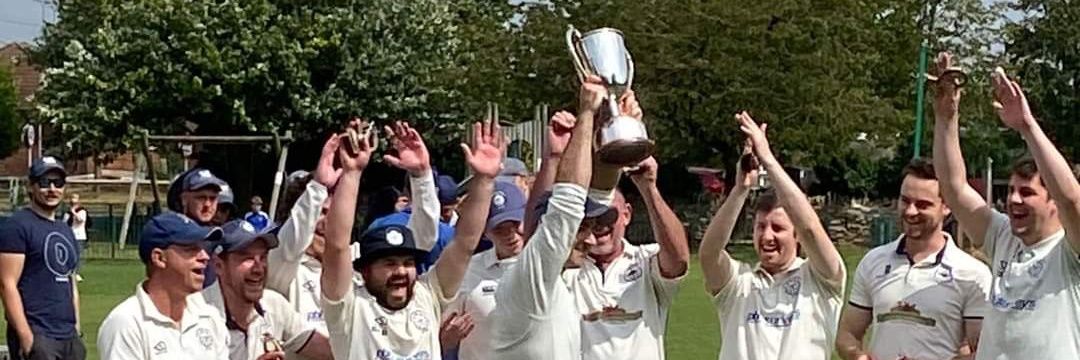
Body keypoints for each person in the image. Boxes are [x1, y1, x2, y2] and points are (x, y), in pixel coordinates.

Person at [931, 52, 1080, 359]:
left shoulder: (1069, 251)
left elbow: (1071, 198)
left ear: (1052, 203)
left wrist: (1026, 126)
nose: (1013, 200)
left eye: (1027, 193)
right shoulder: (1003, 237)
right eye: (1011, 190)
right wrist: (946, 117)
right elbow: (953, 187)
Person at [320, 118, 503, 359]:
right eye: (389, 263)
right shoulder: (349, 310)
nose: (400, 271)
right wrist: (352, 173)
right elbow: (337, 246)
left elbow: (464, 243)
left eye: (407, 263)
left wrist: (485, 181)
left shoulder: (428, 297)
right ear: (364, 272)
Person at [699, 112, 846, 360]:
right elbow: (709, 254)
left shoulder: (822, 279)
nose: (767, 236)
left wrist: (767, 159)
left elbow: (810, 227)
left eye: (777, 228)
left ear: (796, 234)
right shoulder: (739, 283)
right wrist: (740, 189)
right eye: (760, 226)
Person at [488, 75, 603, 360]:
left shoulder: (553, 281)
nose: (590, 240)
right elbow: (567, 203)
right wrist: (587, 112)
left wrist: (610, 123)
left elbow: (598, 193)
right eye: (581, 230)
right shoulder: (529, 282)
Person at [836, 159, 992, 360]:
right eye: (905, 201)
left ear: (947, 207)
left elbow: (983, 353)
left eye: (922, 205)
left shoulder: (972, 273)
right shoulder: (873, 261)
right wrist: (858, 357)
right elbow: (847, 335)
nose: (910, 211)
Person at [97, 212, 228, 359]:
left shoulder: (209, 317)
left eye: (203, 248)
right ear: (159, 258)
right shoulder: (126, 324)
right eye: (190, 249)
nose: (204, 257)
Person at [203, 220, 333, 360]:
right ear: (218, 266)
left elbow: (324, 349)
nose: (258, 268)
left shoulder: (273, 304)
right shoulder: (195, 314)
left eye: (263, 257)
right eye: (247, 258)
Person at [0, 157, 85, 360]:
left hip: (68, 337)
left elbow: (71, 281)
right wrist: (26, 337)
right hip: (38, 334)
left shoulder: (65, 230)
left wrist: (77, 329)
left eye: (58, 183)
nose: (52, 189)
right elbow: (6, 283)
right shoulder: (18, 226)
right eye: (45, 183)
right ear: (31, 187)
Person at [443, 180, 527, 359]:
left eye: (515, 224)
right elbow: (442, 331)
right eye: (500, 229)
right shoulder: (467, 269)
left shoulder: (543, 265)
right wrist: (446, 340)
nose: (511, 235)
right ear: (485, 232)